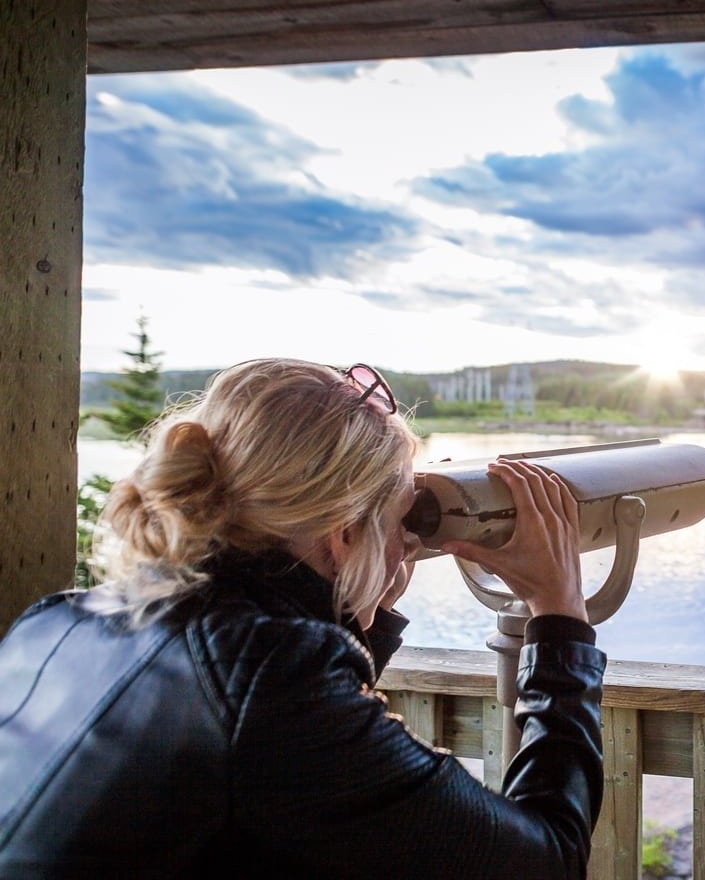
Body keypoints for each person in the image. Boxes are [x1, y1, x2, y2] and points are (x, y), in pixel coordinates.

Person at [0, 358, 605, 877]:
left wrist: (367, 610)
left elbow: (275, 792)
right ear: (343, 531)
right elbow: (548, 860)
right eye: (403, 520)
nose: (408, 545)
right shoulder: (272, 678)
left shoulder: (57, 620)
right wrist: (560, 618)